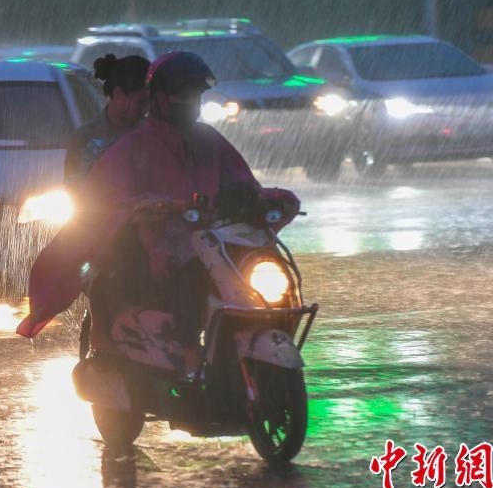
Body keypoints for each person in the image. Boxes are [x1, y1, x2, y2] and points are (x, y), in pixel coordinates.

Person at [18, 52, 299, 376]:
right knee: (138, 275)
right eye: (181, 96)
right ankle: (142, 346)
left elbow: (240, 180)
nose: (188, 104)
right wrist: (140, 208)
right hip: (133, 237)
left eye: (194, 97)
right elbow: (94, 195)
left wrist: (262, 199)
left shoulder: (206, 139)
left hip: (199, 237)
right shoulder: (119, 144)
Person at [64, 54, 150, 186]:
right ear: (118, 94)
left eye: (150, 101)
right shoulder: (85, 139)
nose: (146, 108)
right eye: (141, 101)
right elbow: (74, 190)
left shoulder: (152, 134)